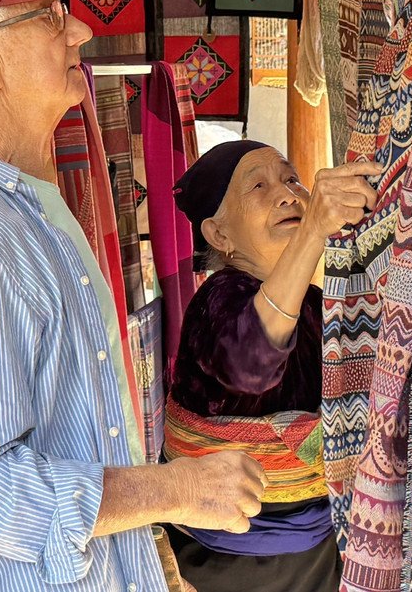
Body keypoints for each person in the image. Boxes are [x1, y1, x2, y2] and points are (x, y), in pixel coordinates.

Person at [0, 0, 267, 592]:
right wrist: (172, 490)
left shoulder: (17, 216)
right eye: (51, 15)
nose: (80, 30)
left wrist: (150, 556)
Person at [164, 140, 382, 592]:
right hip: (222, 562)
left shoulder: (318, 305)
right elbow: (250, 362)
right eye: (259, 186)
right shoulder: (217, 299)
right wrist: (313, 232)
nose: (287, 194)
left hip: (317, 551)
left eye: (291, 179)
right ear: (220, 236)